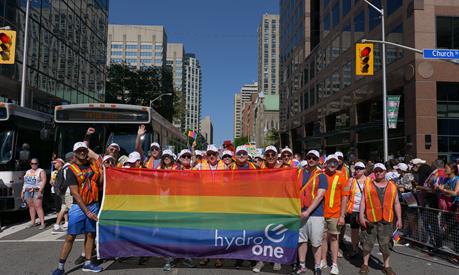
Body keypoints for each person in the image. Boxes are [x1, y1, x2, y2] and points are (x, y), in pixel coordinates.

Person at [52, 142, 103, 274]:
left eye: (84, 150)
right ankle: (60, 267)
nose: (82, 152)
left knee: (90, 234)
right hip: (79, 207)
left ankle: (87, 263)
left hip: (94, 204)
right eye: (79, 150)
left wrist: (88, 141)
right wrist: (87, 211)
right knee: (70, 237)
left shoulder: (93, 165)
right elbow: (75, 193)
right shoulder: (71, 170)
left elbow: (98, 161)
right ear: (75, 153)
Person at [359, 163, 402, 275]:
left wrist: (399, 219)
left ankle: (386, 266)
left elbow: (396, 203)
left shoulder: (392, 186)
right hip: (371, 219)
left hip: (387, 220)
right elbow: (363, 201)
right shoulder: (368, 185)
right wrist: (361, 216)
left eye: (381, 171)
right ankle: (365, 264)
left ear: (385, 172)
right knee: (367, 243)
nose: (378, 173)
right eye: (376, 171)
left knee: (386, 244)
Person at [296, 150, 328, 275]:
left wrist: (308, 211)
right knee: (301, 241)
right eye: (309, 157)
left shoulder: (321, 175)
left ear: (318, 160)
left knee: (316, 242)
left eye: (314, 158)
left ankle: (317, 266)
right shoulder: (299, 172)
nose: (311, 160)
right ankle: (302, 265)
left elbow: (320, 196)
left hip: (315, 214)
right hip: (300, 212)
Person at [252, 146, 282, 273]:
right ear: (265, 156)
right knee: (262, 233)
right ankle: (261, 260)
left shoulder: (284, 169)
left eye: (273, 155)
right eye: (268, 155)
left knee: (276, 233)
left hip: (279, 205)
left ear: (276, 156)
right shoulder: (259, 169)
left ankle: (276, 259)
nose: (270, 157)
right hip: (263, 206)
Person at [320, 154, 348, 275]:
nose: (332, 164)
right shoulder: (320, 175)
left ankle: (334, 263)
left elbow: (344, 198)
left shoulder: (342, 176)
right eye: (330, 162)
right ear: (326, 163)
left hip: (335, 214)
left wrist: (342, 215)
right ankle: (323, 260)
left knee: (334, 238)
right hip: (320, 213)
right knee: (322, 238)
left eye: (335, 162)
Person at [344, 161, 369, 257]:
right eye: (356, 168)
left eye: (360, 168)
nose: (358, 170)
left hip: (365, 210)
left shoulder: (369, 180)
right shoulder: (351, 180)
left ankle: (365, 251)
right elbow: (345, 195)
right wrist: (345, 208)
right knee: (354, 230)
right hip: (354, 209)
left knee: (365, 231)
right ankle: (355, 249)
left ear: (364, 170)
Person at [437, 162, 459, 256]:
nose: (445, 169)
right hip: (445, 208)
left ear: (453, 169)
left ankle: (457, 252)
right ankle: (455, 251)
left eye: (447, 168)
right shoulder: (445, 179)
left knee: (453, 229)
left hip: (454, 207)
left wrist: (443, 190)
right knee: (448, 228)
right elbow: (439, 189)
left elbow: (455, 193)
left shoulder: (457, 179)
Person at [21, 158, 47, 229]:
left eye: (35, 163)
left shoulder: (41, 171)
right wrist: (22, 192)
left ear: (38, 164)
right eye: (32, 163)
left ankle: (42, 223)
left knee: (38, 207)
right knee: (31, 207)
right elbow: (25, 183)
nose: (34, 165)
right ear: (30, 164)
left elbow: (44, 181)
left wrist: (40, 191)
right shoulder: (28, 172)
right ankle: (33, 222)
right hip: (27, 190)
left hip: (36, 190)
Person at [51, 158, 70, 234]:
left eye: (55, 163)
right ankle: (70, 225)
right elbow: (66, 182)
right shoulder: (63, 170)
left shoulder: (61, 170)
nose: (54, 164)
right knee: (71, 208)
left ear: (60, 163)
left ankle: (57, 226)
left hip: (63, 193)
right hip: (67, 193)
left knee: (63, 208)